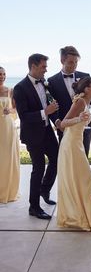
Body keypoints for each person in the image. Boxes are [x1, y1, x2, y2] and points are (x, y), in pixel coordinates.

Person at [13, 54, 59, 220]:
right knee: (38, 168)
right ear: (33, 66)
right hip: (32, 135)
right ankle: (34, 207)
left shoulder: (44, 83)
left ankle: (44, 190)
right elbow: (24, 116)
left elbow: (49, 105)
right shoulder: (20, 88)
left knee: (56, 159)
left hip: (47, 130)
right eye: (43, 67)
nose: (46, 69)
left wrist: (55, 117)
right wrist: (45, 112)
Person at [57, 76, 91, 231]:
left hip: (76, 143)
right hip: (71, 144)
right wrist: (78, 119)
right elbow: (63, 124)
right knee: (83, 178)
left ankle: (79, 211)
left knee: (80, 178)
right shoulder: (81, 102)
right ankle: (76, 215)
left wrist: (79, 119)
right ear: (87, 89)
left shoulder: (85, 102)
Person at [48, 46, 91, 157]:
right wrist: (57, 122)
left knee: (83, 158)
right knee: (67, 160)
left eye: (76, 62)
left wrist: (86, 104)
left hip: (84, 126)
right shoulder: (52, 81)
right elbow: (51, 105)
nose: (74, 65)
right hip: (65, 127)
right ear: (62, 61)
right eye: (71, 62)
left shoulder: (85, 76)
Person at [0, 66, 20, 203]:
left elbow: (16, 109)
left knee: (6, 158)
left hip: (6, 127)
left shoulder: (10, 91)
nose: (2, 76)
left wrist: (10, 110)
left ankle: (7, 190)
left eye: (3, 74)